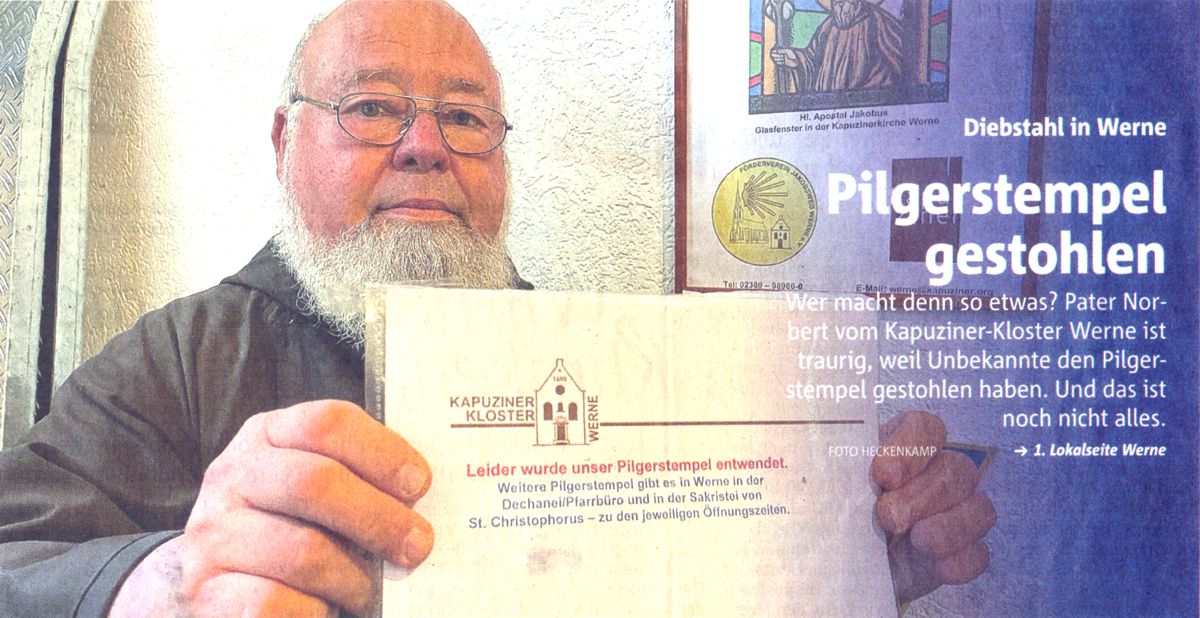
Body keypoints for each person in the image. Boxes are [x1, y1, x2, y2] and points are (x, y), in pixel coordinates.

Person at [0, 1, 993, 616]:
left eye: (465, 116)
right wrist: (161, 584)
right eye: (373, 106)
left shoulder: (602, 360)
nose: (426, 145)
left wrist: (847, 554)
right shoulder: (183, 357)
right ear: (284, 142)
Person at [769, 0, 903, 94]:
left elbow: (899, 58)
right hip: (827, 104)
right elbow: (813, 60)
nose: (839, 7)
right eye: (837, 2)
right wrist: (796, 59)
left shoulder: (877, 20)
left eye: (843, 2)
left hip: (870, 104)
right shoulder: (827, 26)